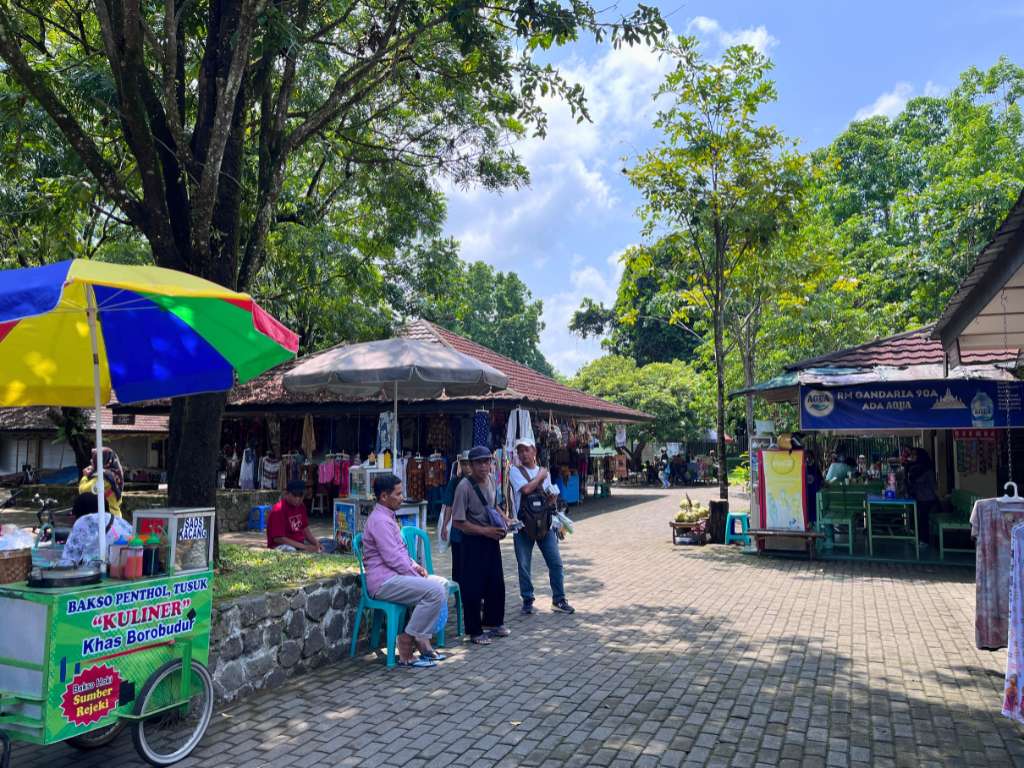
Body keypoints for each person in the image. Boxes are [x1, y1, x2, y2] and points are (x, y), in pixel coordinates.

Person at [362, 473, 448, 667]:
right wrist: (414, 574)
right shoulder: (380, 521)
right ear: (384, 496)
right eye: (399, 494)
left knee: (441, 584)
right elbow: (392, 558)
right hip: (383, 582)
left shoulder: (388, 517)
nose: (402, 497)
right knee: (433, 590)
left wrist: (415, 566)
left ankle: (420, 638)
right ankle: (408, 640)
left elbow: (399, 552)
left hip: (395, 576)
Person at [452, 445, 510, 645]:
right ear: (471, 465)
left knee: (496, 582)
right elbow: (458, 522)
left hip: (491, 539)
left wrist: (505, 521)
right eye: (479, 462)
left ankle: (494, 622)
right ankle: (474, 631)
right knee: (473, 587)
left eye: (487, 461)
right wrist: (485, 531)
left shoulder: (492, 480)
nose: (484, 466)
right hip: (472, 541)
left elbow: (493, 506)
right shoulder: (464, 487)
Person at [510, 438, 575, 616]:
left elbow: (546, 495)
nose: (523, 454)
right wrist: (540, 476)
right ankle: (527, 600)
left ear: (534, 452)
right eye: (520, 451)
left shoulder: (543, 472)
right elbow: (526, 490)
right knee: (524, 565)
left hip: (545, 523)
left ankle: (559, 599)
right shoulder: (515, 471)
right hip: (523, 526)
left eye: (527, 450)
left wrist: (552, 499)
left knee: (555, 563)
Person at [60, 492, 132, 566]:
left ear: (80, 510)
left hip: (99, 571)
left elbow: (68, 560)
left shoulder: (84, 521)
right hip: (129, 567)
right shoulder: (121, 521)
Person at [439, 452, 471, 584]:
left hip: (475, 530)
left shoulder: (483, 480)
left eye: (468, 463)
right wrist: (445, 526)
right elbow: (449, 506)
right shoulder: (454, 482)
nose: (466, 466)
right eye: (463, 463)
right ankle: (459, 593)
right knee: (457, 562)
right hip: (458, 529)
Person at [267, 480, 322, 552]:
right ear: (286, 494)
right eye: (295, 495)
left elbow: (305, 530)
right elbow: (278, 538)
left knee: (325, 543)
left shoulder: (301, 506)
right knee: (291, 550)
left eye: (301, 496)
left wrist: (317, 544)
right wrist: (305, 547)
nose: (298, 499)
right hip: (280, 545)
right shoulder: (278, 509)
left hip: (299, 543)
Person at [906, 447, 939, 547]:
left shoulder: (927, 470)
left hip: (927, 499)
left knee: (923, 520)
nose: (912, 457)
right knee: (918, 519)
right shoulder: (914, 468)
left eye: (915, 455)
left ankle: (924, 541)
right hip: (919, 498)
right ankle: (919, 539)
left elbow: (933, 486)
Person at [78, 447, 125, 517]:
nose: (91, 460)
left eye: (94, 458)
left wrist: (85, 476)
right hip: (114, 516)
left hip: (106, 518)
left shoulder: (104, 477)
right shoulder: (114, 474)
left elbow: (83, 491)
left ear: (101, 460)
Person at [805, 451, 824, 525]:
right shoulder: (803, 468)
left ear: (812, 457)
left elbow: (821, 480)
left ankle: (815, 522)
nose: (808, 458)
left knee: (815, 509)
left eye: (809, 457)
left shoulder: (816, 468)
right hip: (807, 493)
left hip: (815, 492)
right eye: (806, 457)